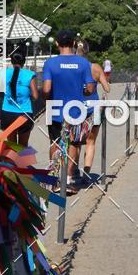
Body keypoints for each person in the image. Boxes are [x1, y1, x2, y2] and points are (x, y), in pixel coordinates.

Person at [42, 29, 96, 195]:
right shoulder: (83, 63)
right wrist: (83, 93)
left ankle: (55, 178)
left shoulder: (50, 64)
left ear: (57, 44)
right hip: (76, 110)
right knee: (73, 143)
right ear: (73, 43)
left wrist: (48, 98)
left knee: (55, 142)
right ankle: (70, 179)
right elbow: (90, 87)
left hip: (55, 107)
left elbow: (46, 88)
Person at [69, 40, 111, 185]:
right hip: (94, 108)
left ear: (75, 50)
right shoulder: (95, 67)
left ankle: (74, 172)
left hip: (75, 109)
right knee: (90, 142)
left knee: (75, 142)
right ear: (87, 51)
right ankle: (87, 174)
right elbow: (107, 88)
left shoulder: (72, 68)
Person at [0, 51, 38, 147]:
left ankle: (13, 162)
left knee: (12, 146)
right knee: (23, 146)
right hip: (24, 114)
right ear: (24, 62)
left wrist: (7, 96)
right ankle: (22, 162)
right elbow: (35, 96)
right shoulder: (30, 74)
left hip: (8, 114)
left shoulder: (4, 73)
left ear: (11, 62)